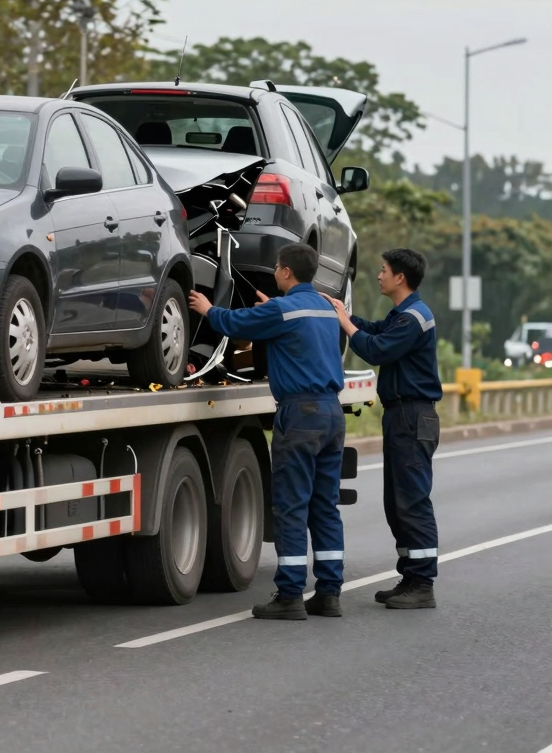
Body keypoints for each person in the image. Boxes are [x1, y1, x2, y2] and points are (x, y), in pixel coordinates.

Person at [189, 242, 346, 621]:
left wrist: (208, 309)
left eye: (277, 267)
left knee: (291, 505)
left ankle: (290, 594)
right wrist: (271, 309)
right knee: (324, 506)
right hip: (331, 413)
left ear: (287, 272)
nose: (274, 271)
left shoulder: (282, 310)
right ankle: (329, 593)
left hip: (300, 414)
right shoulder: (325, 307)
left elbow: (235, 324)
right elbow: (295, 330)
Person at [326, 248, 442, 610]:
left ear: (400, 278)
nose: (379, 275)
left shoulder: (413, 319)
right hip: (401, 415)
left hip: (413, 415)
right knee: (397, 502)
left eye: (384, 270)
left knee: (412, 500)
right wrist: (343, 315)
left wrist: (347, 325)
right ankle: (410, 576)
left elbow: (376, 349)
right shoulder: (402, 315)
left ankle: (422, 583)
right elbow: (374, 330)